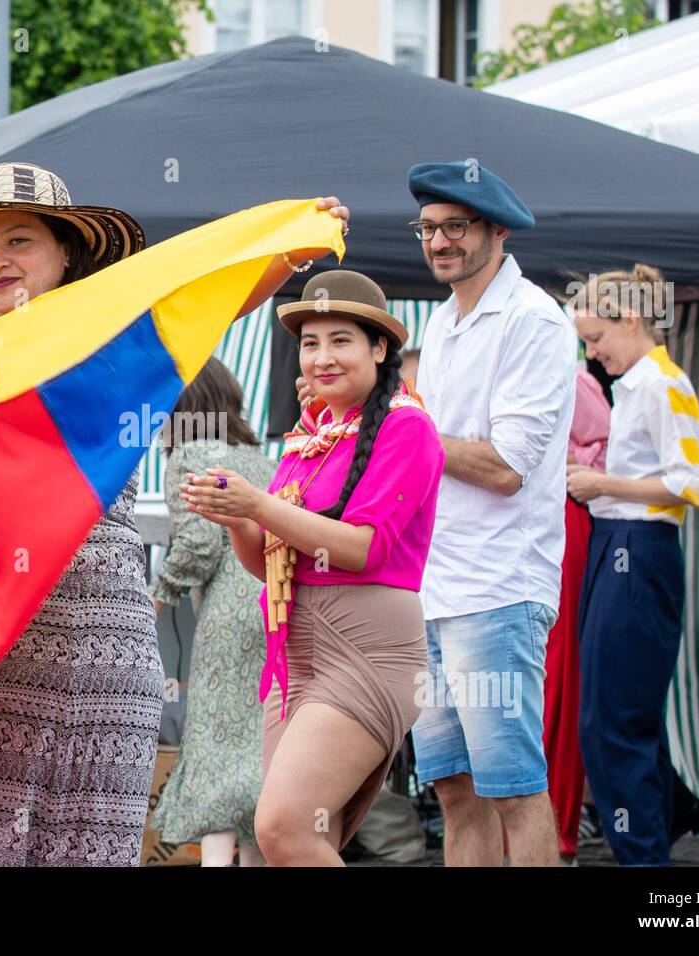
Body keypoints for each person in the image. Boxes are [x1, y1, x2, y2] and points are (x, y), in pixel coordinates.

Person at [0, 162, 349, 866]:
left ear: (67, 254)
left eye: (19, 240)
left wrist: (288, 245)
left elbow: (209, 301)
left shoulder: (109, 340)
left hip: (98, 641)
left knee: (78, 842)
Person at [185, 270, 444, 866]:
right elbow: (267, 564)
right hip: (296, 655)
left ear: (380, 349)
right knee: (297, 836)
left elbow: (360, 549)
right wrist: (234, 516)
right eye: (309, 343)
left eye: (340, 340)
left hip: (367, 650)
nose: (321, 357)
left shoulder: (408, 428)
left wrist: (259, 503)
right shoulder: (312, 437)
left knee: (283, 827)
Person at [405, 161, 576, 867]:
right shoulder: (442, 321)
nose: (439, 242)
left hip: (499, 588)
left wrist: (404, 437)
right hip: (436, 586)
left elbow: (506, 467)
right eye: (428, 229)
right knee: (452, 790)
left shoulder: (534, 319)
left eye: (455, 227)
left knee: (512, 789)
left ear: (496, 231)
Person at [568, 264, 699, 866]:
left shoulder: (663, 383)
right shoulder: (637, 383)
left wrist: (602, 481)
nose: (592, 352)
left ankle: (647, 859)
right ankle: (669, 816)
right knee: (612, 711)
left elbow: (690, 484)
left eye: (596, 338)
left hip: (639, 548)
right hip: (615, 541)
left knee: (611, 722)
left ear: (630, 319)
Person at [148, 358, 274, 868]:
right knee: (258, 751)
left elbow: (199, 543)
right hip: (276, 609)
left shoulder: (191, 453)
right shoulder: (260, 458)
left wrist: (158, 595)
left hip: (228, 616)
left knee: (215, 748)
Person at [544, 363, 611, 864]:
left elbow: (608, 448)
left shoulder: (568, 375)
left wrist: (567, 465)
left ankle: (556, 829)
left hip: (558, 521)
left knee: (558, 678)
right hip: (494, 530)